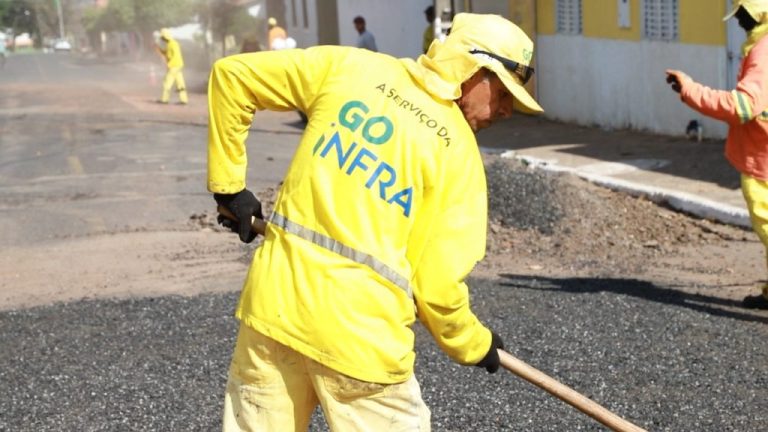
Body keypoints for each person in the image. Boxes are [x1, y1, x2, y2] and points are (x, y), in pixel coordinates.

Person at [207, 12, 543, 430]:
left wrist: (229, 188)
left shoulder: (352, 70)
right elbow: (437, 288)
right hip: (361, 346)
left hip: (274, 313)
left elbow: (233, 76)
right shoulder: (458, 156)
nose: (507, 110)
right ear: (472, 69)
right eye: (504, 93)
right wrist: (473, 344)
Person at [666, 0, 768, 310]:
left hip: (762, 160)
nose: (739, 23)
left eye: (743, 16)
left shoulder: (764, 51)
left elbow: (743, 107)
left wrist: (691, 90)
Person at [155, 28, 188, 105]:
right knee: (180, 83)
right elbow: (165, 53)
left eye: (162, 37)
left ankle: (164, 99)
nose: (162, 39)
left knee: (167, 82)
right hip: (177, 66)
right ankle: (184, 100)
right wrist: (158, 49)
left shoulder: (173, 44)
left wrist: (169, 65)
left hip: (174, 66)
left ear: (165, 37)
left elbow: (175, 56)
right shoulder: (170, 44)